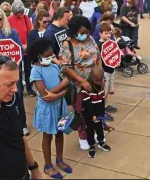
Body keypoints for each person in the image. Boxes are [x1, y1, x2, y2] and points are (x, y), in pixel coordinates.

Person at [0, 6, 31, 136]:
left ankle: (22, 125)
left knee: (18, 99)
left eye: (0, 19)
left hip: (13, 72)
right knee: (0, 100)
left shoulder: (12, 33)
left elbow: (19, 50)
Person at [27, 37, 72, 178]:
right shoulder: (36, 71)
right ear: (38, 55)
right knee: (47, 137)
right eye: (47, 55)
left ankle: (60, 159)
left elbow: (55, 92)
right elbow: (45, 94)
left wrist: (60, 93)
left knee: (59, 134)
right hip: (47, 110)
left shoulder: (53, 66)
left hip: (59, 106)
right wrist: (63, 86)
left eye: (51, 54)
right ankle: (48, 166)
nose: (50, 56)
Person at [59, 16, 102, 150]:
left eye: (87, 32)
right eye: (82, 32)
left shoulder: (90, 39)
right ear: (74, 30)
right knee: (82, 112)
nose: (85, 35)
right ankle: (83, 136)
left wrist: (100, 75)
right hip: (79, 85)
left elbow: (98, 57)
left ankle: (94, 132)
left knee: (96, 109)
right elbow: (65, 67)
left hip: (95, 82)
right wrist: (81, 80)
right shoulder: (67, 44)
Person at [80, 65, 111, 158]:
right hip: (90, 112)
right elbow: (87, 103)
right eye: (97, 80)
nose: (99, 82)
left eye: (101, 80)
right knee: (90, 129)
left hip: (99, 110)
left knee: (99, 126)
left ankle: (101, 141)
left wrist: (103, 112)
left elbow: (102, 99)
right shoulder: (86, 87)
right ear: (91, 77)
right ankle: (92, 145)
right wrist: (93, 115)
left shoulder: (101, 84)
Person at [8, 0, 36, 97]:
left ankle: (29, 87)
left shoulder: (25, 18)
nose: (20, 15)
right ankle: (19, 89)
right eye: (17, 13)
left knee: (28, 69)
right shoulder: (9, 20)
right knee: (17, 71)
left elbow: (30, 32)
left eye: (21, 12)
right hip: (16, 50)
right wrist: (19, 46)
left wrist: (27, 45)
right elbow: (9, 36)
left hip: (26, 48)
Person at [96, 22, 118, 113]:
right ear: (100, 34)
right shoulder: (98, 45)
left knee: (108, 91)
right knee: (103, 92)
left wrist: (117, 61)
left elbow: (115, 54)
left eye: (109, 33)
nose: (108, 35)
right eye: (106, 33)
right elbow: (97, 60)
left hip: (111, 70)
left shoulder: (111, 43)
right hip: (104, 72)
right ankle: (102, 110)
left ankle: (106, 105)